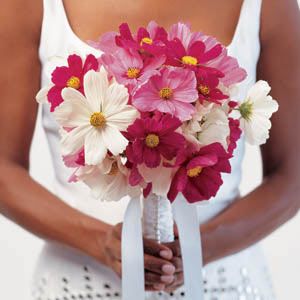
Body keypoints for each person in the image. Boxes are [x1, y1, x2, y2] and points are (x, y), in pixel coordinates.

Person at [1, 0, 300, 299]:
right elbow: (4, 169)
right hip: (79, 283)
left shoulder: (268, 5)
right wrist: (99, 242)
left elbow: (293, 177)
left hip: (226, 284)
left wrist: (201, 248)